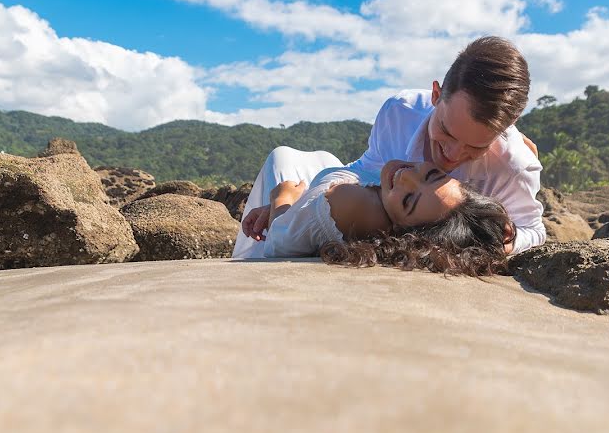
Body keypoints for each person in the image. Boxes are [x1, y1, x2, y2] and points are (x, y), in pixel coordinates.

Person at [241, 36, 545, 255]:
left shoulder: (514, 166)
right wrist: (304, 202)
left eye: (475, 147)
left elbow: (533, 230)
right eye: (447, 132)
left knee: (279, 163)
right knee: (295, 158)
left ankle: (248, 263)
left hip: (346, 204)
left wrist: (499, 241)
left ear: (507, 127)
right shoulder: (401, 111)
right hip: (341, 182)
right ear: (436, 95)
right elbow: (367, 167)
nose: (452, 156)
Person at [232, 146, 512, 276]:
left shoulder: (351, 205)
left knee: (279, 156)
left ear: (401, 232)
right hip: (316, 183)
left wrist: (282, 199)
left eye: (407, 200)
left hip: (294, 199)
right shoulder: (386, 204)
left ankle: (241, 261)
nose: (406, 177)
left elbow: (280, 241)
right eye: (432, 175)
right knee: (325, 158)